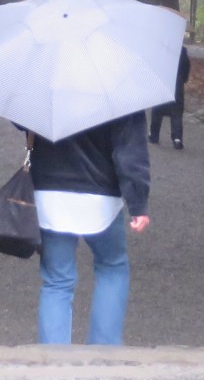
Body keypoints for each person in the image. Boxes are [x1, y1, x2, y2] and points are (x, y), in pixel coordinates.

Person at [29, 110, 150, 346]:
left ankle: (53, 360)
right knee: (112, 266)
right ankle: (103, 352)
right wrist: (138, 203)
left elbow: (23, 122)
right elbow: (129, 148)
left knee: (57, 281)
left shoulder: (45, 89)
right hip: (101, 193)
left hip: (50, 190)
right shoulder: (121, 92)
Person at [148, 46, 192, 150]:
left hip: (162, 84)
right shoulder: (182, 51)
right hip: (177, 85)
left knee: (157, 111)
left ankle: (154, 135)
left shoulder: (159, 49)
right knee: (176, 114)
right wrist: (183, 79)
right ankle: (177, 138)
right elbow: (186, 69)